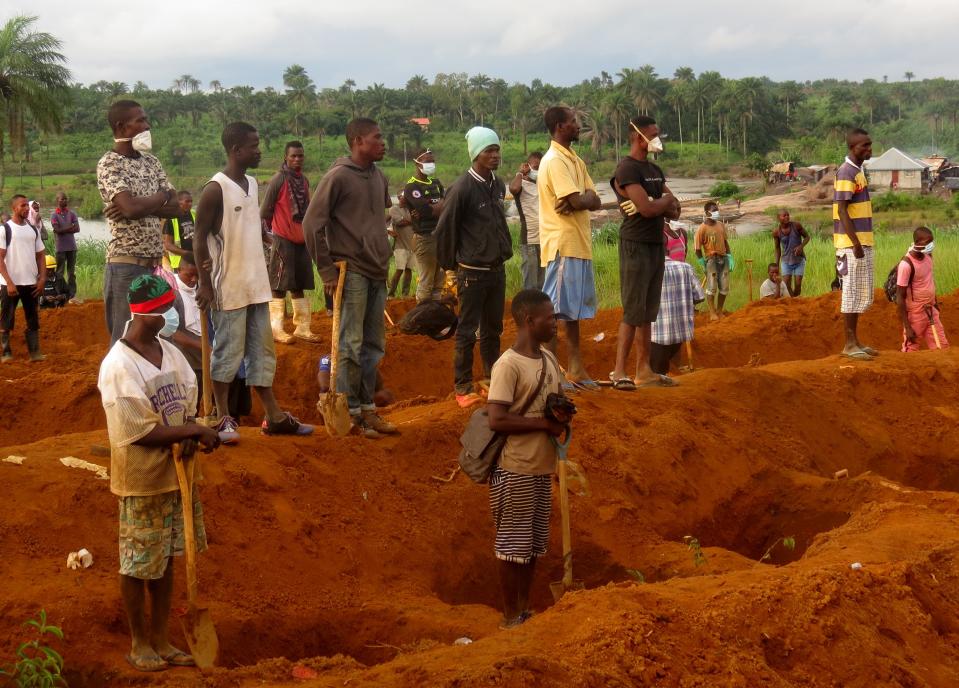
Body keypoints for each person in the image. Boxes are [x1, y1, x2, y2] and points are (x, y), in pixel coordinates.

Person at [97, 274, 220, 673]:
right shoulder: (119, 366)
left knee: (165, 561)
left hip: (176, 475)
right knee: (137, 564)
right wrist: (194, 430)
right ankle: (139, 642)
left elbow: (186, 399)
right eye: (166, 308)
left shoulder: (169, 352)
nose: (171, 314)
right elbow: (138, 431)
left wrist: (188, 432)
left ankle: (163, 638)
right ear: (147, 314)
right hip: (143, 481)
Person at [194, 122, 313, 441]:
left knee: (262, 353)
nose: (260, 150)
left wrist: (264, 236)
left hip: (256, 284)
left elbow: (250, 223)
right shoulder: (214, 189)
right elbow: (199, 236)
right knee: (228, 353)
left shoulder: (251, 183)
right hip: (228, 286)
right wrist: (204, 282)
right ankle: (221, 417)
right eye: (254, 146)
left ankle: (274, 416)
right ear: (236, 150)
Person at [302, 117, 397, 439]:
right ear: (358, 141)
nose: (383, 143)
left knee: (373, 345)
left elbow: (377, 218)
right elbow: (312, 224)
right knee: (350, 345)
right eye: (377, 137)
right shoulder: (338, 177)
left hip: (376, 271)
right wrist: (326, 269)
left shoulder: (378, 176)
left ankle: (367, 409)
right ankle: (349, 413)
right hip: (352, 271)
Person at [487, 288, 568, 629]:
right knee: (512, 547)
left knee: (532, 546)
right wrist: (543, 424)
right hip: (515, 468)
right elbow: (497, 419)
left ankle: (522, 610)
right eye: (550, 318)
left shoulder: (549, 359)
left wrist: (562, 417)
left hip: (541, 467)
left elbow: (557, 404)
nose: (555, 323)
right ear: (529, 321)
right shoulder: (507, 365)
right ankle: (510, 616)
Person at [436, 127, 513, 407]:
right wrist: (449, 270)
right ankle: (463, 386)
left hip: (496, 269)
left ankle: (493, 378)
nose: (494, 155)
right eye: (488, 151)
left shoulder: (498, 184)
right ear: (475, 155)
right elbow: (445, 230)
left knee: (493, 329)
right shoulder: (461, 189)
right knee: (467, 331)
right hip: (471, 273)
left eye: (496, 150)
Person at [97, 99, 181, 345]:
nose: (147, 125)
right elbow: (130, 209)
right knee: (125, 339)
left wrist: (141, 205)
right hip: (125, 264)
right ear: (122, 127)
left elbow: (175, 208)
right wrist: (161, 198)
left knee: (160, 337)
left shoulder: (151, 162)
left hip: (155, 266)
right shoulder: (109, 163)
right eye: (140, 120)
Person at [609, 115, 681, 390]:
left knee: (648, 311)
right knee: (632, 309)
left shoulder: (653, 169)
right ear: (639, 137)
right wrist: (659, 203)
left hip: (654, 243)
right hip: (635, 244)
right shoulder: (626, 170)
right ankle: (619, 372)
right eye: (653, 134)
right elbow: (651, 209)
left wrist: (657, 202)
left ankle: (644, 370)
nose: (657, 139)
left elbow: (675, 208)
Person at [538, 106, 603, 390]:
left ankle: (576, 369)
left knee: (573, 312)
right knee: (552, 312)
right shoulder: (554, 161)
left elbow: (593, 200)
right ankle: (552, 375)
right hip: (562, 245)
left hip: (579, 243)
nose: (578, 126)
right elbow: (578, 201)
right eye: (574, 122)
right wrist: (582, 199)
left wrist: (583, 198)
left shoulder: (574, 160)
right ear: (560, 126)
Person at [261, 141, 321, 344]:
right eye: (293, 156)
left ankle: (302, 328)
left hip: (301, 239)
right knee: (279, 284)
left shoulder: (303, 180)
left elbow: (309, 209)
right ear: (285, 157)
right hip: (283, 239)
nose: (297, 159)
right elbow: (265, 211)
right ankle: (276, 329)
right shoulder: (278, 179)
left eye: (300, 156)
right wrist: (272, 237)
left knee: (299, 284)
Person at [834, 128, 877, 360]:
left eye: (870, 144)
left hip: (861, 242)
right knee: (850, 292)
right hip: (851, 245)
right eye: (864, 146)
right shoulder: (846, 172)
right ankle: (849, 344)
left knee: (860, 291)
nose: (869, 149)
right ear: (853, 148)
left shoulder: (858, 171)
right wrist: (856, 243)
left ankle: (855, 340)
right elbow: (841, 210)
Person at [1, 195, 47, 362]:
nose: (27, 209)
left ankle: (35, 353)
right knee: (7, 317)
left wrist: (42, 279)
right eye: (23, 206)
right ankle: (6, 352)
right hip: (10, 285)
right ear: (14, 208)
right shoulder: (4, 229)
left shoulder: (33, 230)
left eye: (27, 206)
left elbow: (41, 256)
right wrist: (10, 283)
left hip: (31, 283)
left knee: (32, 317)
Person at [650, 258, 705, 376]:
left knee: (657, 370)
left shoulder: (649, 269)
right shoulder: (686, 268)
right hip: (681, 333)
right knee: (666, 365)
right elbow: (699, 296)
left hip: (657, 335)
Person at [405, 149, 446, 303]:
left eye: (432, 161)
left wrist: (433, 207)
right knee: (426, 280)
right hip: (425, 237)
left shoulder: (436, 183)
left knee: (439, 280)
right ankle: (422, 315)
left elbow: (447, 205)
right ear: (417, 163)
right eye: (428, 161)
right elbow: (425, 211)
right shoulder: (412, 186)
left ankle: (435, 314)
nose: (431, 164)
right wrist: (436, 206)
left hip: (439, 235)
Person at [897, 227, 948, 352]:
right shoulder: (906, 265)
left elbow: (929, 280)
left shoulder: (928, 255)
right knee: (911, 348)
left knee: (942, 347)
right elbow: (900, 296)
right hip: (916, 314)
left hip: (931, 310)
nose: (930, 245)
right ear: (917, 242)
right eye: (927, 242)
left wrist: (935, 303)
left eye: (931, 242)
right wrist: (907, 327)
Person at [509, 151, 545, 290]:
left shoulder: (542, 184)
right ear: (527, 166)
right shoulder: (521, 184)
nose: (536, 170)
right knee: (530, 282)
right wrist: (520, 173)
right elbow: (513, 188)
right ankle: (529, 310)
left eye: (540, 168)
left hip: (545, 239)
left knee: (543, 282)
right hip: (529, 239)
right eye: (534, 167)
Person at [694, 200, 732, 321]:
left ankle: (719, 310)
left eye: (717, 210)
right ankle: (712, 312)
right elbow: (697, 249)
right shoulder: (702, 228)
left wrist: (730, 257)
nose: (717, 212)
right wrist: (702, 262)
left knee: (724, 287)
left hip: (723, 258)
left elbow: (725, 242)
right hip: (711, 260)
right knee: (712, 287)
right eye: (714, 210)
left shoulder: (720, 224)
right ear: (707, 212)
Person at [50, 191, 81, 303]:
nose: (65, 201)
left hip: (72, 247)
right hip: (60, 248)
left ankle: (72, 295)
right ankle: (59, 294)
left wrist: (62, 230)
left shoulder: (72, 213)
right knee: (59, 272)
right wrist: (69, 228)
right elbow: (57, 231)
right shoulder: (54, 215)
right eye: (62, 199)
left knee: (71, 272)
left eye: (66, 198)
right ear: (57, 200)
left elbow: (77, 229)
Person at [772, 209, 809, 296]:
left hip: (799, 260)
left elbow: (807, 237)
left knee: (798, 284)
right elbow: (777, 249)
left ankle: (795, 300)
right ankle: (794, 301)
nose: (787, 217)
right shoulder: (776, 232)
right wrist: (776, 265)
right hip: (786, 261)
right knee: (786, 285)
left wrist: (801, 246)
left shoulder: (796, 226)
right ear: (778, 218)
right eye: (784, 215)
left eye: (788, 215)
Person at [387, 191, 415, 298]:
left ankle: (405, 294)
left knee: (409, 270)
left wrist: (409, 220)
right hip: (400, 246)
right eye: (404, 197)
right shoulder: (394, 209)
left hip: (411, 246)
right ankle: (391, 294)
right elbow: (400, 222)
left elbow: (416, 221)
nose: (405, 199)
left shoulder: (410, 209)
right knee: (399, 270)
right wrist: (412, 220)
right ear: (399, 198)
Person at [162, 191, 195, 271]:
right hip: (180, 262)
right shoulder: (171, 218)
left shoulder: (194, 214)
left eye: (191, 201)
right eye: (187, 201)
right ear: (179, 202)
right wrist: (186, 253)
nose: (190, 204)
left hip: (195, 258)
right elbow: (168, 245)